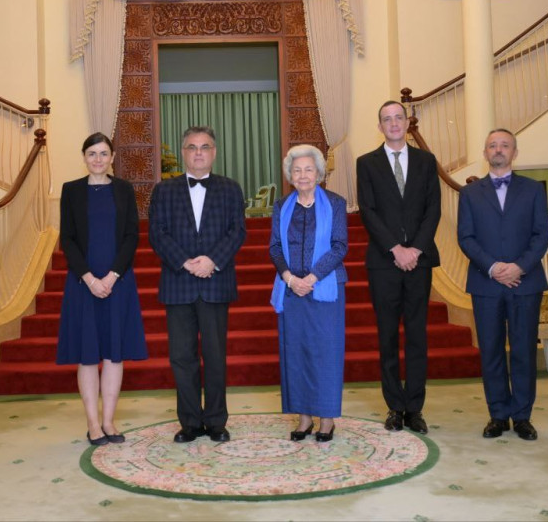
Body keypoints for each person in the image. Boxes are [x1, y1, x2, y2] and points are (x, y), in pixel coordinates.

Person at [148, 126, 246, 443]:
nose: (199, 152)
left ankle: (216, 421)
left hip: (216, 282)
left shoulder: (230, 189)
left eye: (205, 147)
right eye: (192, 147)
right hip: (178, 282)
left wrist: (212, 261)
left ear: (214, 152)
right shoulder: (164, 190)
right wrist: (186, 262)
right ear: (184, 152)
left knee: (215, 356)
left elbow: (237, 231)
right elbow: (157, 233)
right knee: (182, 357)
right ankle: (190, 422)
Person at [457, 128, 548, 441]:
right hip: (486, 283)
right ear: (485, 153)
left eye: (505, 145)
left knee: (523, 351)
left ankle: (522, 416)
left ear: (514, 152)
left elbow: (541, 235)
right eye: (493, 145)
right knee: (491, 351)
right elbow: (466, 237)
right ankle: (497, 415)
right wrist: (494, 267)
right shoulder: (469, 193)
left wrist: (519, 267)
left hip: (525, 282)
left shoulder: (534, 189)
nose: (498, 150)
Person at [56, 132, 148, 446]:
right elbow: (67, 239)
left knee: (114, 354)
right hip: (83, 284)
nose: (98, 159)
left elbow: (131, 236)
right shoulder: (71, 190)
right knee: (87, 355)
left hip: (117, 282)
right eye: (92, 153)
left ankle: (109, 421)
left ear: (112, 158)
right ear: (84, 157)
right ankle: (93, 424)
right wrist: (90, 278)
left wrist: (111, 277)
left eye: (103, 153)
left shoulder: (123, 189)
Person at [356, 101, 441, 435]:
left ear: (407, 123)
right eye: (386, 119)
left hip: (420, 261)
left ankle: (415, 408)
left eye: (398, 118)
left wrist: (415, 249)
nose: (393, 123)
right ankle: (394, 406)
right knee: (388, 335)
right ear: (380, 127)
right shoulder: (367, 163)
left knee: (417, 335)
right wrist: (395, 248)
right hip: (384, 261)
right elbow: (368, 211)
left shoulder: (426, 161)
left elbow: (433, 208)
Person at [269, 145, 348, 442]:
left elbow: (340, 246)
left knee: (326, 353)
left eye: (308, 169)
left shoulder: (336, 203)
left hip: (325, 289)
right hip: (291, 291)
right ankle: (303, 419)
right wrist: (290, 279)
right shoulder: (282, 206)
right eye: (297, 170)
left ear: (318, 173)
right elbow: (275, 247)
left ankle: (326, 419)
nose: (302, 175)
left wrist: (312, 278)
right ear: (290, 175)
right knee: (296, 353)